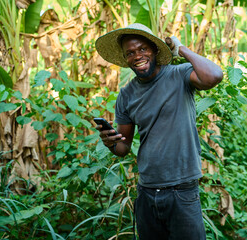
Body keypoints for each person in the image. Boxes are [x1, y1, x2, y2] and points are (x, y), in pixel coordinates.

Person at [95, 23, 223, 240]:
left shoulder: (179, 75)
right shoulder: (126, 95)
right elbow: (123, 147)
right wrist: (111, 142)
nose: (137, 56)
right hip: (147, 191)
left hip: (182, 191)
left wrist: (180, 49)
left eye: (143, 49)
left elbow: (214, 76)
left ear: (155, 49)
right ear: (126, 59)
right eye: (130, 53)